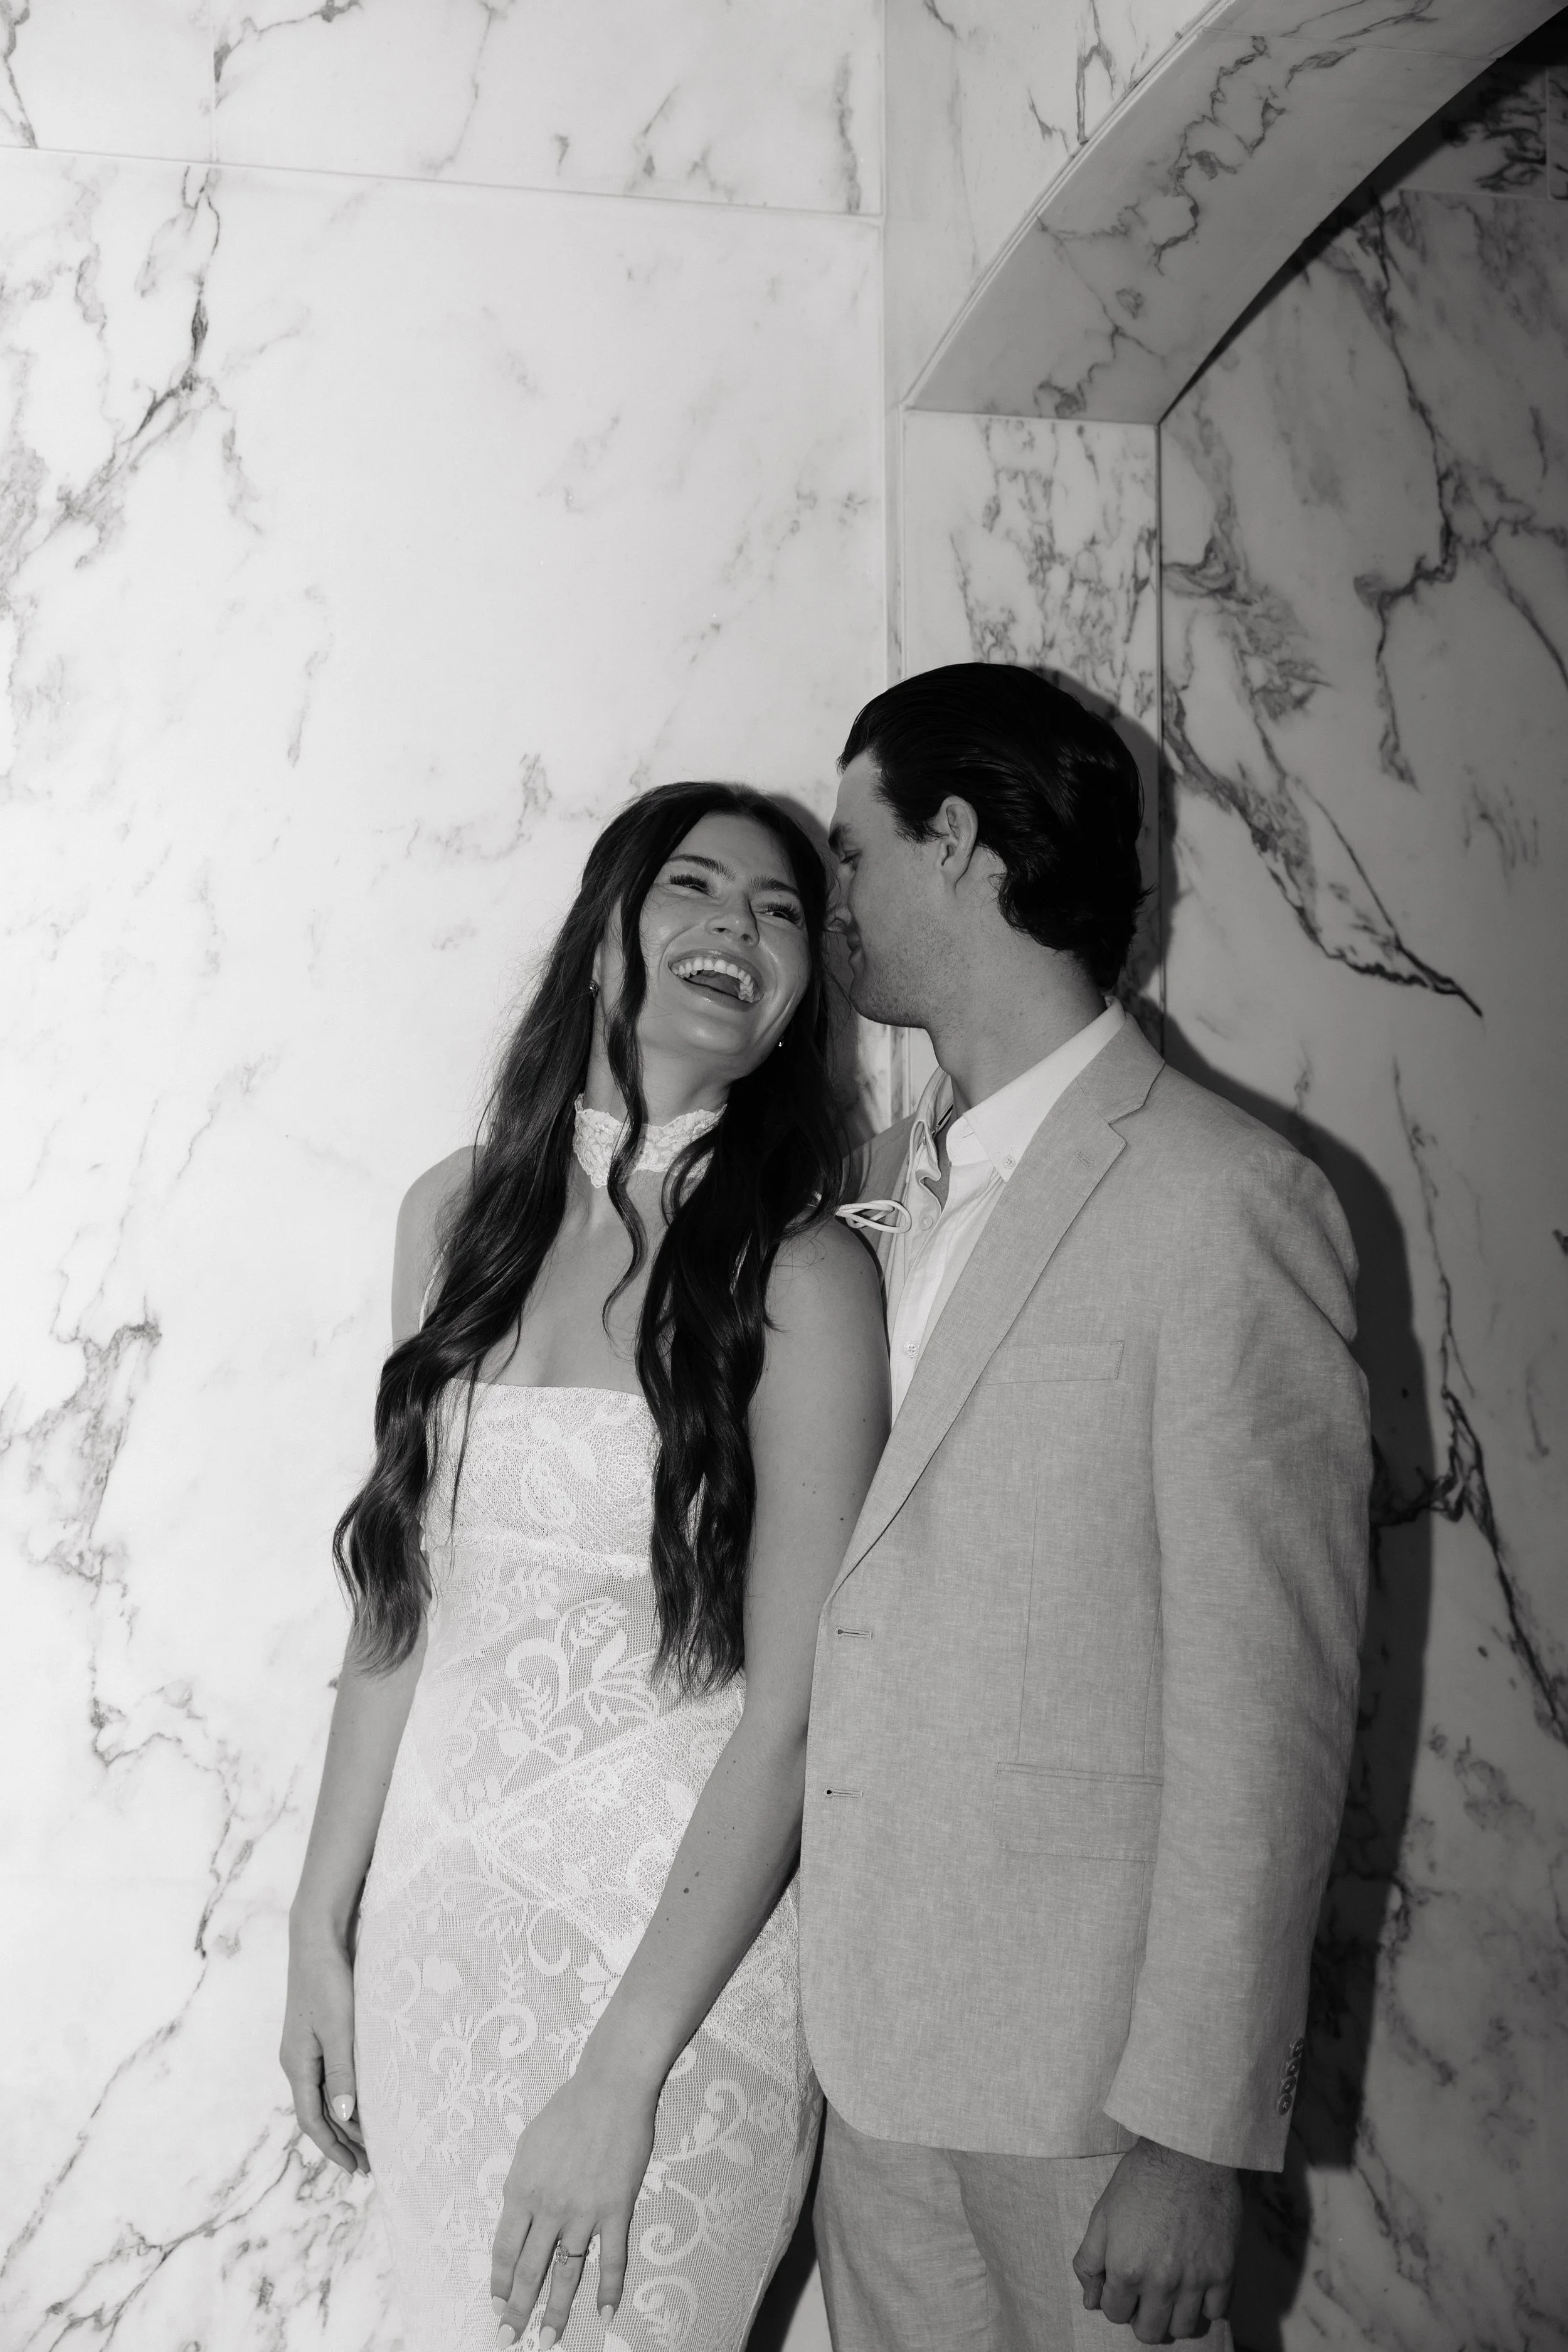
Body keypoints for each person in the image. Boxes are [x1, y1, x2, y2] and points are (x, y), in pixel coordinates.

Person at [805, 664, 1371, 2351]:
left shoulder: (1224, 1197)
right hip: (871, 2060)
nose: (829, 893)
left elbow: (1267, 1703)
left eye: (849, 850)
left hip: (1091, 2102)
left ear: (955, 841)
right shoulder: (887, 1195)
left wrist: (1196, 2128)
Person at [280, 782, 889, 2352]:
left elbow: (792, 1719)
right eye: (691, 887)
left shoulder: (806, 1278)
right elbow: (397, 1605)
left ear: (792, 1009)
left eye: (776, 915)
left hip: (680, 1976)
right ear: (604, 941)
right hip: (441, 1929)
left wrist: (624, 2073)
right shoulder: (451, 1214)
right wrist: (318, 1921)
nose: (734, 931)